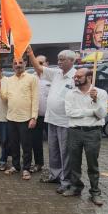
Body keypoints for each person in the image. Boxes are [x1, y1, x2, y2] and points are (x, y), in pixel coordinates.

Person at [27, 48, 76, 193]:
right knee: (53, 150)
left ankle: (66, 181)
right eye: (58, 59)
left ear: (72, 61)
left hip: (65, 122)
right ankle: (55, 175)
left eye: (62, 59)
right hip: (52, 119)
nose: (59, 62)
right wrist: (30, 53)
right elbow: (37, 67)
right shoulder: (56, 73)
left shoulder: (76, 76)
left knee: (65, 153)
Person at [63, 68, 108, 206]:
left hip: (93, 132)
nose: (75, 78)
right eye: (75, 76)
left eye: (79, 76)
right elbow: (69, 112)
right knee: (74, 162)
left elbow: (101, 114)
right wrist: (90, 112)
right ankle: (76, 187)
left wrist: (95, 100)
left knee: (92, 163)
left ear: (89, 77)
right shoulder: (70, 93)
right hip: (74, 131)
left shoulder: (100, 93)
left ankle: (95, 192)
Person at [0, 57, 38, 180]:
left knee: (26, 145)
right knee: (13, 144)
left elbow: (35, 99)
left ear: (25, 63)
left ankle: (26, 168)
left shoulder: (32, 78)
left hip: (26, 118)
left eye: (20, 63)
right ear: (12, 66)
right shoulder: (9, 80)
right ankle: (15, 166)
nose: (18, 65)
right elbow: (5, 98)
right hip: (11, 117)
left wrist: (33, 117)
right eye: (15, 63)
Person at [30, 55, 50, 173]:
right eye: (36, 63)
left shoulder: (53, 77)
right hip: (35, 116)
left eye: (41, 63)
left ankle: (55, 166)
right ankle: (38, 163)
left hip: (50, 116)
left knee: (53, 143)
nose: (38, 66)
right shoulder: (30, 78)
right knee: (36, 142)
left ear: (47, 64)